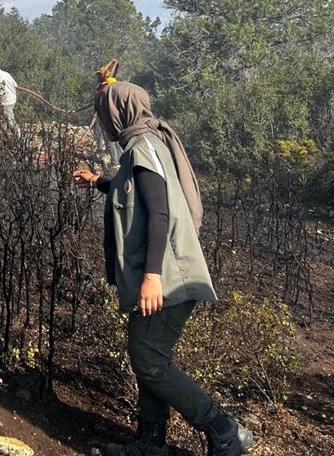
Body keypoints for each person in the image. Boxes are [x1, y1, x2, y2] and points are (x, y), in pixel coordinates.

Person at [72, 81, 253, 456]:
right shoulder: (144, 145)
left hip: (167, 280)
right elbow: (135, 192)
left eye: (103, 113)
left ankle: (225, 431)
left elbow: (159, 211)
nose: (102, 122)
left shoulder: (143, 148)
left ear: (118, 113)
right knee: (147, 359)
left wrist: (152, 277)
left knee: (151, 362)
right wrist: (98, 182)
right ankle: (151, 444)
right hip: (161, 277)